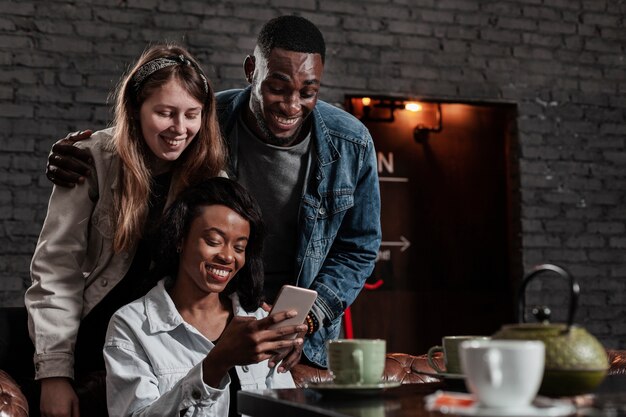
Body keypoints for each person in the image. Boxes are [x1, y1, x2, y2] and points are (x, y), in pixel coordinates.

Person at [44, 15, 382, 370]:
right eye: (277, 88)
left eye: (308, 92)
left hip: (298, 335)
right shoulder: (209, 118)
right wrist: (81, 153)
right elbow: (145, 131)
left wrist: (305, 319)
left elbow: (358, 248)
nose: (291, 105)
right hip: (205, 317)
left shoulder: (351, 143)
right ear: (251, 69)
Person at [26, 44, 226, 417]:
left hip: (161, 353)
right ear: (136, 110)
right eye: (165, 113)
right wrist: (54, 375)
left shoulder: (211, 179)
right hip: (89, 346)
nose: (179, 129)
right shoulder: (92, 159)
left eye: (192, 115)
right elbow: (56, 270)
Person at [104, 177, 302, 417]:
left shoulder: (259, 320)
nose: (228, 257)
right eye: (213, 241)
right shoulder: (132, 325)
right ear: (180, 239)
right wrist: (215, 365)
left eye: (239, 247)